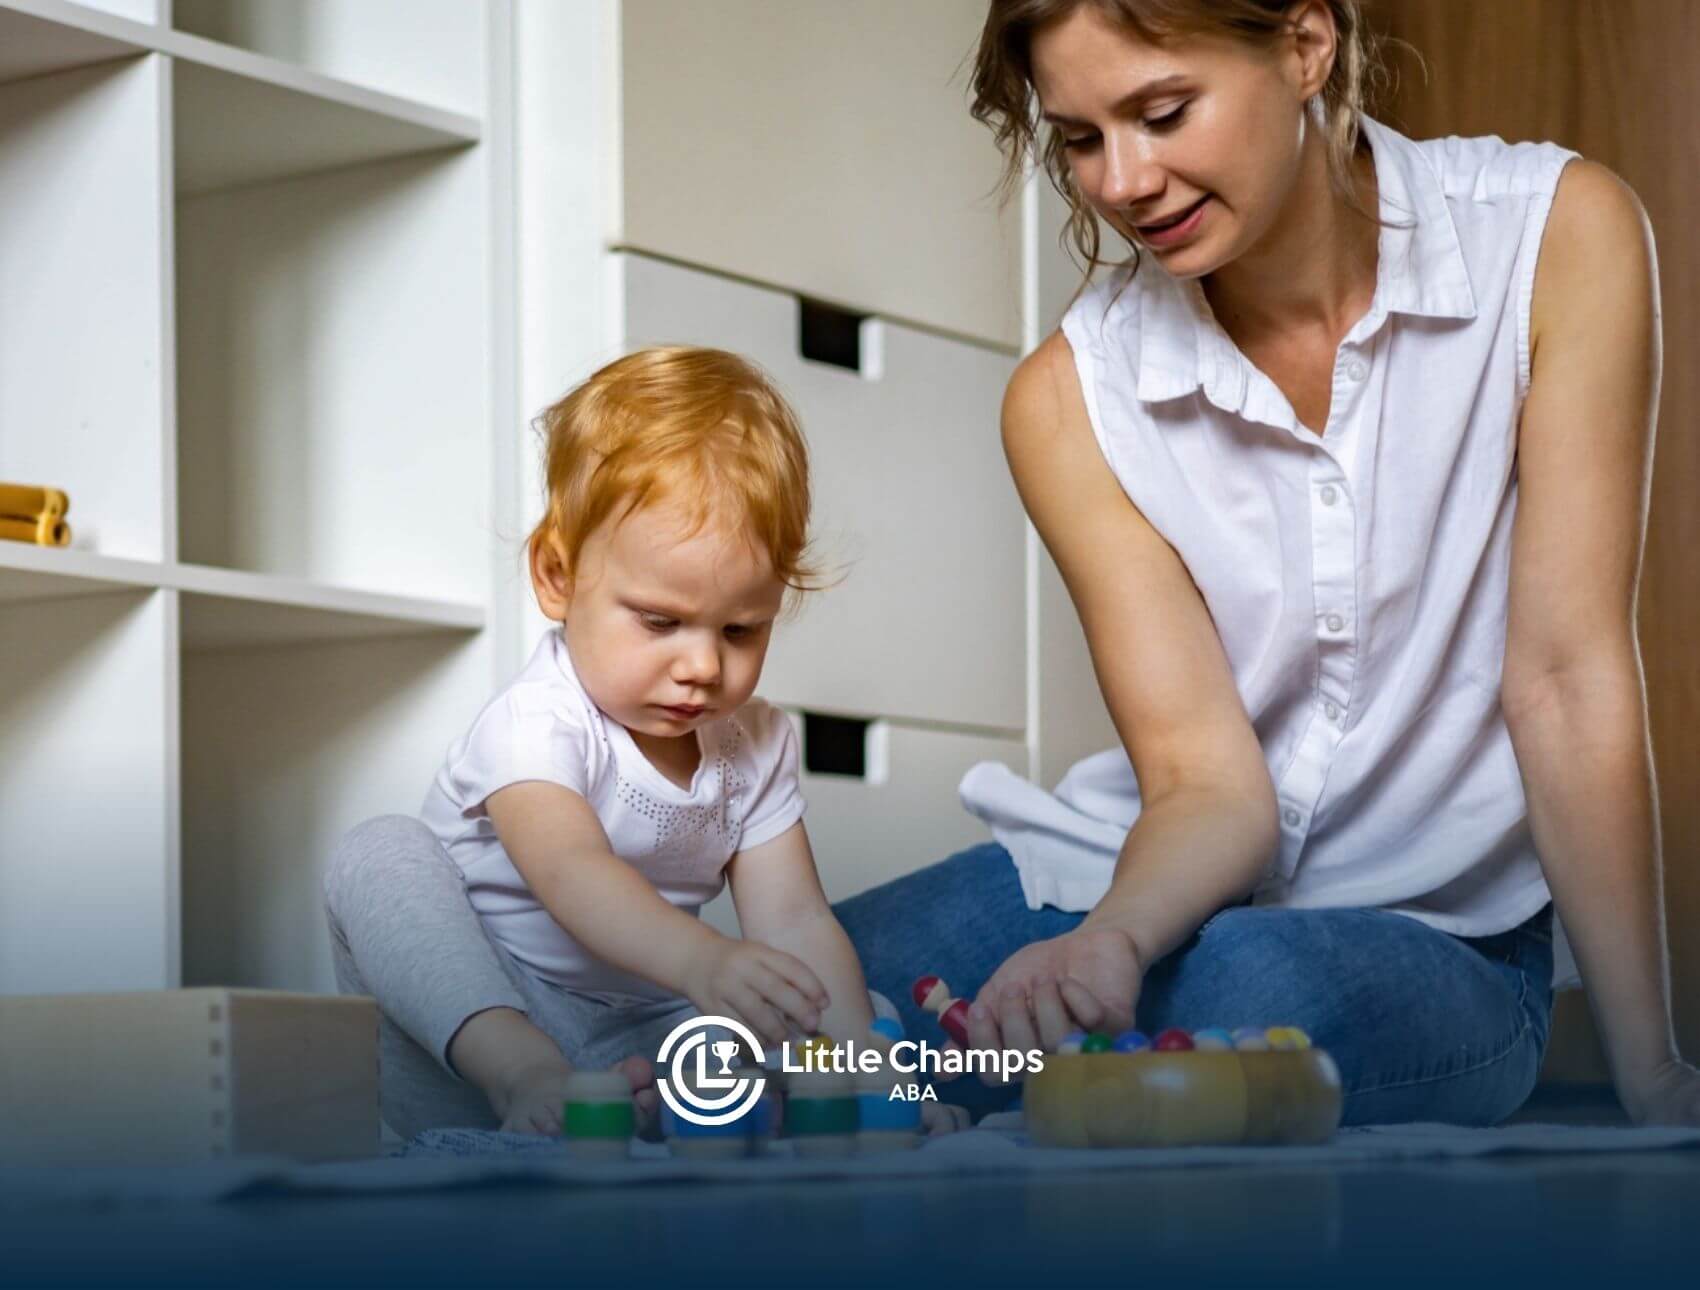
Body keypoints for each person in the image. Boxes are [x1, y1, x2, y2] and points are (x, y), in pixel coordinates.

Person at [833, 0, 1700, 1127]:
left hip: (1436, 940)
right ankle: (966, 1087)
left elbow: (1563, 678)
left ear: (1304, 46)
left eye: (1160, 113)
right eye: (1081, 139)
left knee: (1250, 987)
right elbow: (1202, 780)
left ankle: (951, 1090)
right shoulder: (1064, 400)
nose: (1120, 183)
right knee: (774, 996)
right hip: (1130, 872)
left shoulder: (1554, 234)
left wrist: (1653, 1075)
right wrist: (1106, 939)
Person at [324, 347, 964, 1138]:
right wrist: (703, 961)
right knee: (379, 853)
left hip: (645, 1033)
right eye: (660, 622)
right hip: (480, 1026)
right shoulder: (537, 722)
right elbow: (572, 873)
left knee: (848, 1012)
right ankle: (531, 1079)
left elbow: (794, 919)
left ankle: (775, 1112)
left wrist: (859, 1066)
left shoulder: (754, 742)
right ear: (558, 576)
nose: (701, 666)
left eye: (741, 629)